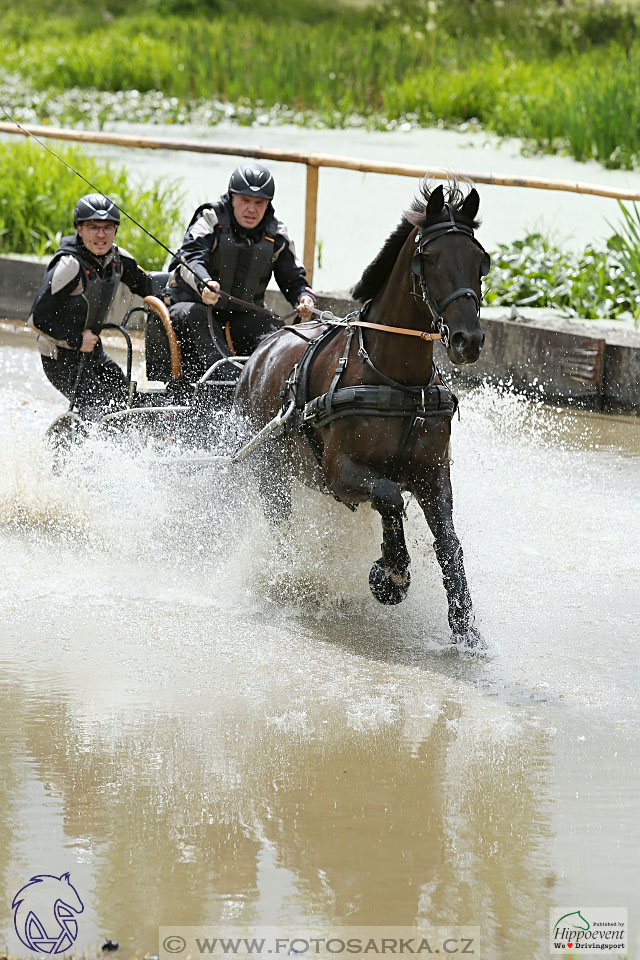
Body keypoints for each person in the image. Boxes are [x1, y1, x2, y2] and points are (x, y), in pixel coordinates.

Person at [163, 162, 315, 383]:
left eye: (259, 203)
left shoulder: (277, 232)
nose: (251, 209)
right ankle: (230, 384)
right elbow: (190, 257)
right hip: (192, 308)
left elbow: (293, 279)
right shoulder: (210, 218)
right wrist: (204, 283)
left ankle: (281, 387)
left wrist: (304, 297)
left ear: (268, 203)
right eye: (245, 200)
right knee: (195, 315)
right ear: (232, 197)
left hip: (240, 316)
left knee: (274, 328)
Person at [29, 193, 153, 417]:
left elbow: (148, 286)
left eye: (107, 227)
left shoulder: (118, 259)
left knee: (125, 398)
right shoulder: (69, 265)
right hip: (59, 355)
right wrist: (77, 340)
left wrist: (169, 298)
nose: (100, 234)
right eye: (93, 227)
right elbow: (37, 319)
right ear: (79, 229)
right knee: (99, 408)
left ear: (115, 229)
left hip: (92, 351)